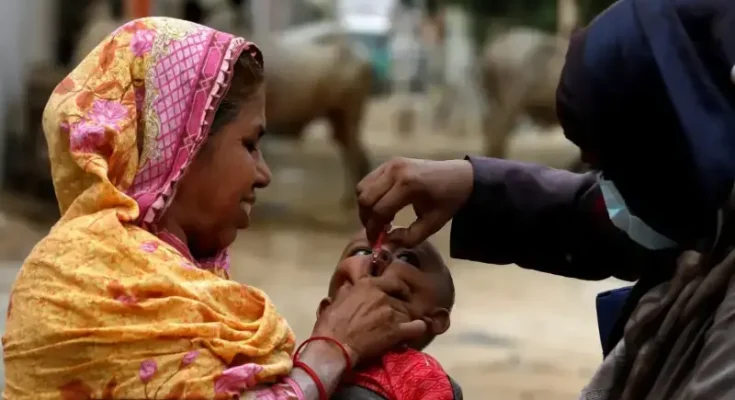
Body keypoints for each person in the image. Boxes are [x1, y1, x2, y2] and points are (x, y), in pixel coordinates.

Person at [2, 17, 427, 400]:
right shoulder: (77, 281)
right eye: (249, 144)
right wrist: (331, 351)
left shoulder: (185, 285)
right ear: (180, 148)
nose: (264, 175)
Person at [356, 0, 735, 398]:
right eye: (361, 254)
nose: (374, 264)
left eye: (615, 169)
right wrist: (476, 184)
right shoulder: (709, 210)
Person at [325, 231, 462, 400]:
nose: (379, 255)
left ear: (435, 319)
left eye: (406, 258)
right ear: (326, 309)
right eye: (361, 252)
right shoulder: (300, 358)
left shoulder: (422, 376)